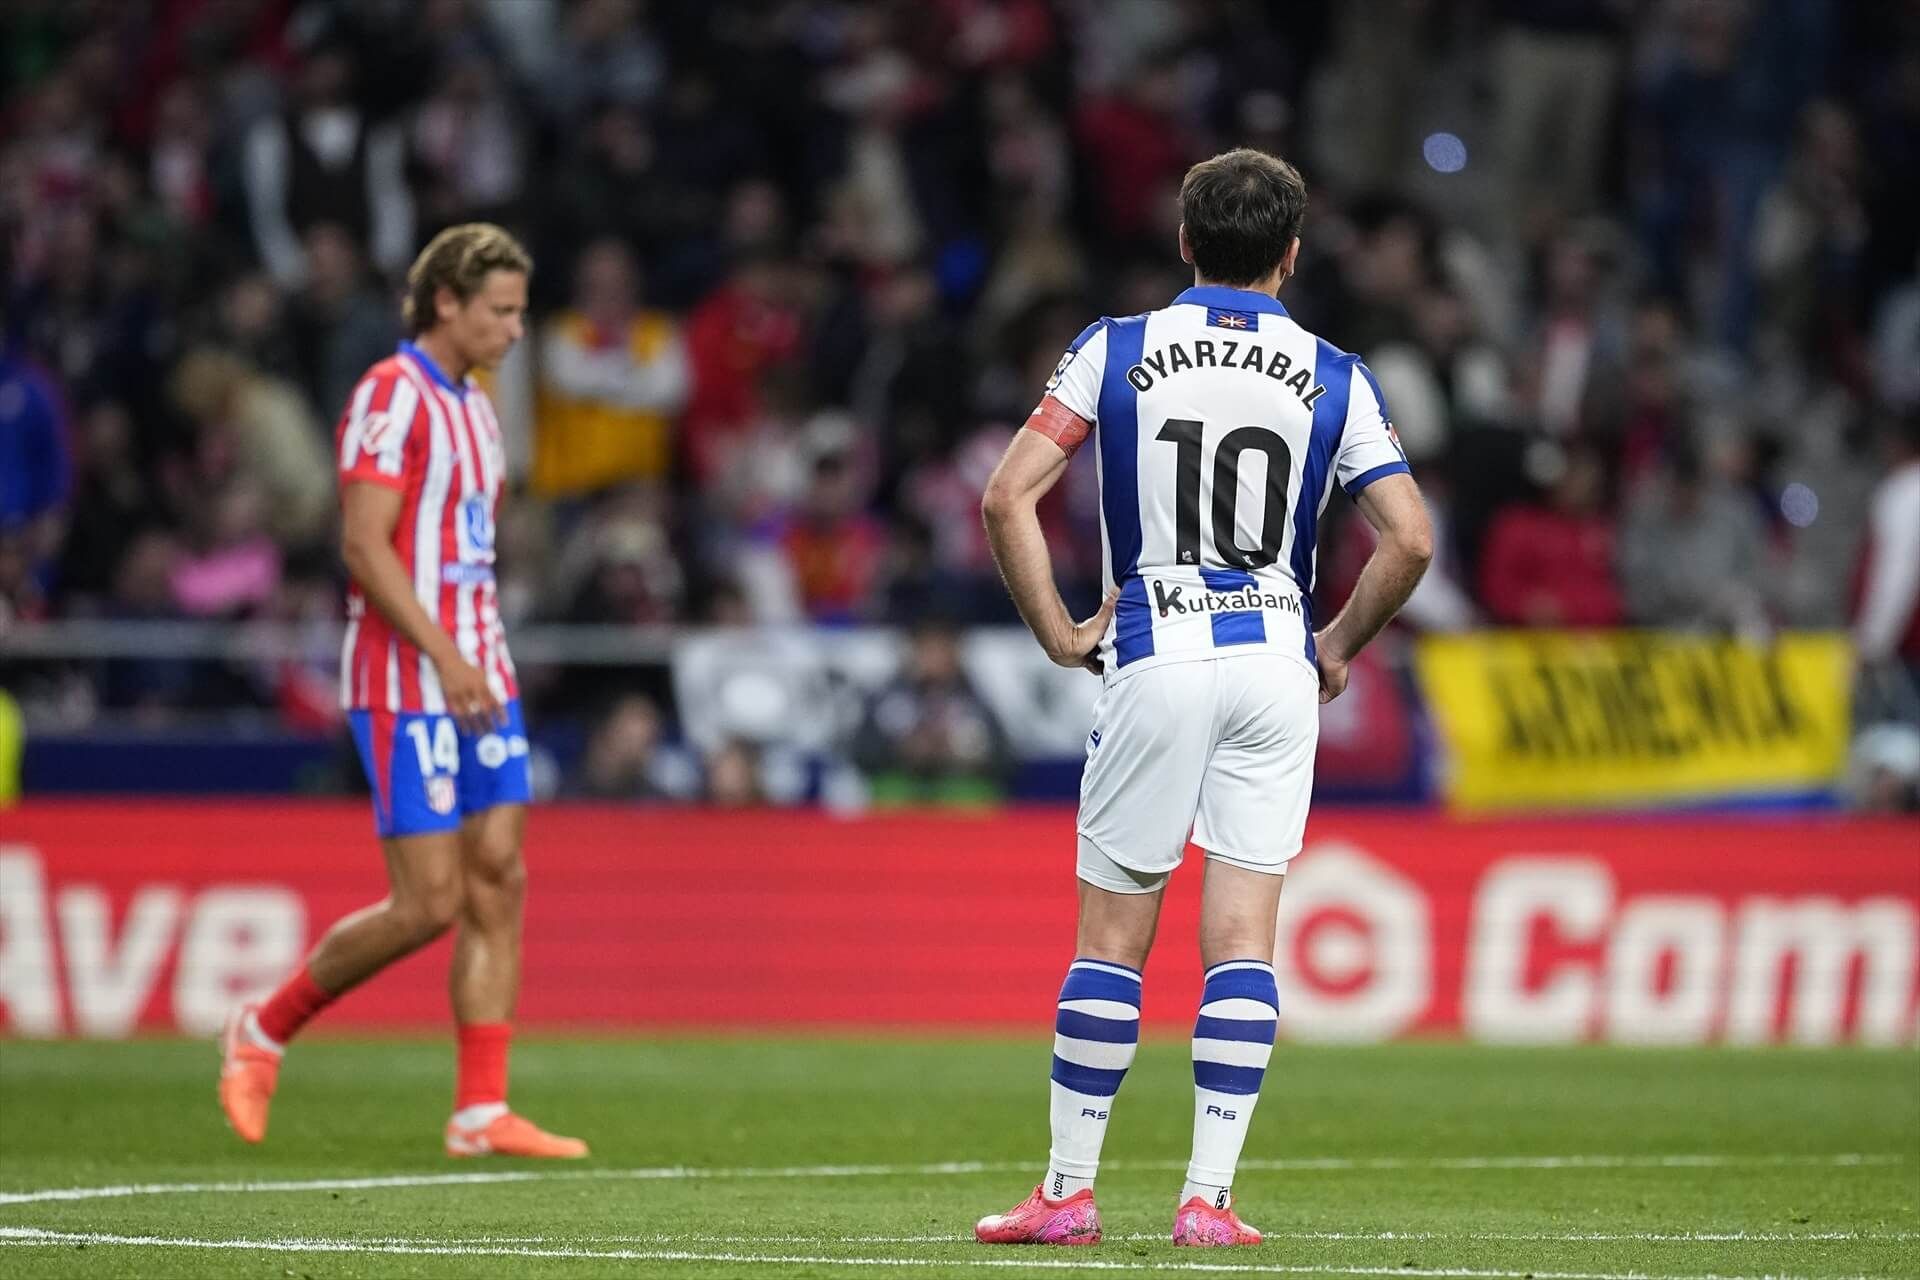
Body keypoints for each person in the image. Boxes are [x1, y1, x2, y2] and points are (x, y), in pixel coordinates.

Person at [975, 149, 1432, 1247]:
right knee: (1242, 943)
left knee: (1113, 941)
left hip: (1158, 645)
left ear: (1184, 241)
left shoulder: (1113, 348)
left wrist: (1060, 630)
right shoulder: (1335, 372)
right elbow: (1409, 536)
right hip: (1275, 659)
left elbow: (1007, 498)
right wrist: (1335, 643)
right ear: (1291, 252)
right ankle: (1208, 1200)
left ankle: (1069, 1192)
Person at [218, 225, 587, 1160]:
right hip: (408, 676)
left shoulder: (476, 405)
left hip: (480, 668)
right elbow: (364, 546)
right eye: (500, 311)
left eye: (520, 311)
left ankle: (480, 1108)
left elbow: (466, 545)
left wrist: (479, 655)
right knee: (426, 903)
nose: (514, 329)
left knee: (500, 875)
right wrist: (445, 655)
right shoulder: (392, 395)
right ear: (446, 303)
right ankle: (263, 1027)